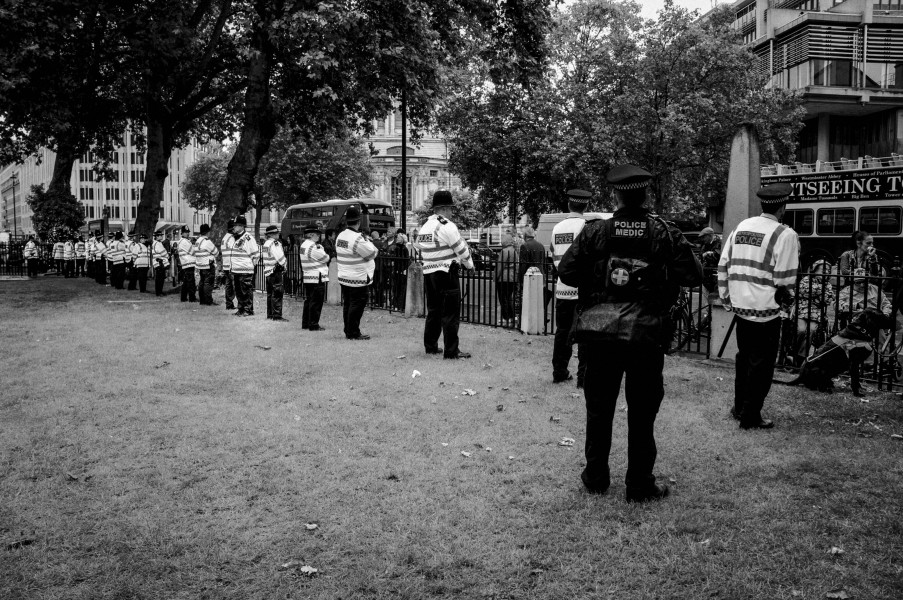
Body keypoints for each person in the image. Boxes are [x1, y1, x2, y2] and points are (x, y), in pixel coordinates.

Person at [558, 164, 702, 502]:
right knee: (642, 410)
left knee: (599, 406)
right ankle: (639, 484)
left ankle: (595, 477)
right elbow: (693, 275)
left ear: (616, 195)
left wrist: (598, 280)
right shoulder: (664, 233)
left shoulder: (595, 232)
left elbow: (566, 272)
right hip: (645, 334)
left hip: (601, 333)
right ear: (645, 195)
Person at [718, 182, 800, 430]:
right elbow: (785, 280)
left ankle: (740, 407)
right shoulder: (784, 234)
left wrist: (726, 298)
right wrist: (787, 306)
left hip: (741, 307)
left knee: (744, 359)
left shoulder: (741, 227)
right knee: (762, 365)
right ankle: (750, 415)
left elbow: (724, 264)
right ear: (782, 208)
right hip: (766, 310)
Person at [415, 190, 474, 358]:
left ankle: (431, 346)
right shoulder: (446, 225)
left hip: (429, 273)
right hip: (446, 272)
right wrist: (469, 265)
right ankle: (451, 351)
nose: (452, 212)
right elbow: (461, 249)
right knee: (450, 313)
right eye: (451, 209)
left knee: (434, 310)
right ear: (445, 208)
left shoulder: (425, 226)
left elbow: (418, 245)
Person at [551, 189, 592, 386]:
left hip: (562, 288)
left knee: (562, 331)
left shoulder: (557, 228)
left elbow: (553, 256)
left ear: (569, 205)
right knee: (585, 334)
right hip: (583, 289)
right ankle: (583, 377)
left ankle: (559, 371)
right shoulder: (587, 227)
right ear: (586, 206)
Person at [336, 204, 377, 339]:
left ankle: (348, 330)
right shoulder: (358, 238)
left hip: (344, 276)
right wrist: (370, 243)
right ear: (359, 222)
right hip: (358, 278)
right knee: (357, 305)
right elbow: (371, 253)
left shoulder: (340, 236)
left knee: (348, 304)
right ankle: (353, 332)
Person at [794, 259, 835, 362]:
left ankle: (801, 356)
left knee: (812, 330)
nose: (826, 271)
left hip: (816, 311)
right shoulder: (806, 279)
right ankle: (793, 352)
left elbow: (827, 300)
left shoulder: (828, 284)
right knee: (801, 330)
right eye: (824, 269)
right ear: (815, 270)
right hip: (802, 309)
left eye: (828, 270)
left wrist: (815, 293)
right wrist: (820, 291)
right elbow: (804, 292)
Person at [299, 224, 330, 330]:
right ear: (311, 234)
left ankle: (306, 323)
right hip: (317, 276)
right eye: (317, 234)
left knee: (309, 301)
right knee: (316, 302)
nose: (319, 236)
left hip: (308, 276)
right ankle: (313, 324)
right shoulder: (313, 246)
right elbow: (325, 258)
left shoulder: (303, 245)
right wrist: (323, 250)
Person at [230, 216, 259, 317]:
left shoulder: (248, 238)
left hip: (245, 269)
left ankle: (248, 310)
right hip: (237, 270)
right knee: (239, 291)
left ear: (242, 226)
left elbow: (255, 254)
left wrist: (252, 266)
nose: (234, 227)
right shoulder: (236, 237)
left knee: (245, 291)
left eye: (236, 225)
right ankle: (241, 309)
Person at [262, 225, 288, 321]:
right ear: (272, 234)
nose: (278, 235)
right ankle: (277, 315)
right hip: (275, 270)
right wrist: (285, 265)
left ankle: (270, 314)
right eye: (277, 233)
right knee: (277, 293)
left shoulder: (266, 244)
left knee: (270, 294)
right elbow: (280, 257)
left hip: (268, 271)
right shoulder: (275, 243)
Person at [495, 233, 518, 327]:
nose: (501, 241)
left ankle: (506, 317)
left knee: (503, 298)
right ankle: (512, 317)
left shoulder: (504, 251)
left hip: (504, 278)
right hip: (512, 277)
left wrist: (496, 276)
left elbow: (500, 266)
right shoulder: (514, 251)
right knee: (509, 298)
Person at [193, 223, 219, 306]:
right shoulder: (207, 242)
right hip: (208, 265)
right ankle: (208, 301)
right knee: (209, 283)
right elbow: (216, 252)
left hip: (200, 265)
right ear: (208, 232)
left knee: (202, 282)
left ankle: (202, 300)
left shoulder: (197, 241)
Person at [176, 226, 197, 302]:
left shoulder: (184, 241)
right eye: (186, 232)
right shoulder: (184, 242)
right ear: (182, 233)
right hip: (188, 263)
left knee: (186, 282)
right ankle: (192, 298)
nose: (187, 234)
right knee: (191, 282)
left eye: (188, 232)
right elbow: (193, 252)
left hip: (187, 263)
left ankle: (183, 297)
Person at [698, 226, 721, 295]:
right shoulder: (705, 244)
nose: (703, 239)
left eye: (704, 237)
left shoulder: (718, 243)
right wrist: (705, 254)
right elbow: (701, 255)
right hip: (707, 273)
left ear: (709, 236)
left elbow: (716, 256)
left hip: (715, 274)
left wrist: (707, 254)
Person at [391, 232, 410, 311]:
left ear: (402, 239)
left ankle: (400, 305)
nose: (397, 238)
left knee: (401, 289)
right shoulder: (395, 248)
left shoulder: (405, 249)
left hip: (402, 271)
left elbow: (406, 261)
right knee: (395, 288)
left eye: (398, 237)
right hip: (396, 270)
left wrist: (403, 269)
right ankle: (395, 304)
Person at [221, 219, 236, 310]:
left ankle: (229, 304)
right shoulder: (232, 238)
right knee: (234, 286)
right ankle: (232, 304)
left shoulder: (225, 238)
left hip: (226, 265)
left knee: (228, 286)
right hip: (231, 265)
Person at [152, 229, 170, 296]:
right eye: (160, 235)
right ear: (157, 237)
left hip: (157, 262)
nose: (161, 237)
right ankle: (159, 292)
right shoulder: (158, 244)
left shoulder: (155, 243)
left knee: (159, 278)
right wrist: (168, 256)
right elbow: (163, 252)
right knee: (160, 278)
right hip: (160, 262)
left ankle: (159, 291)